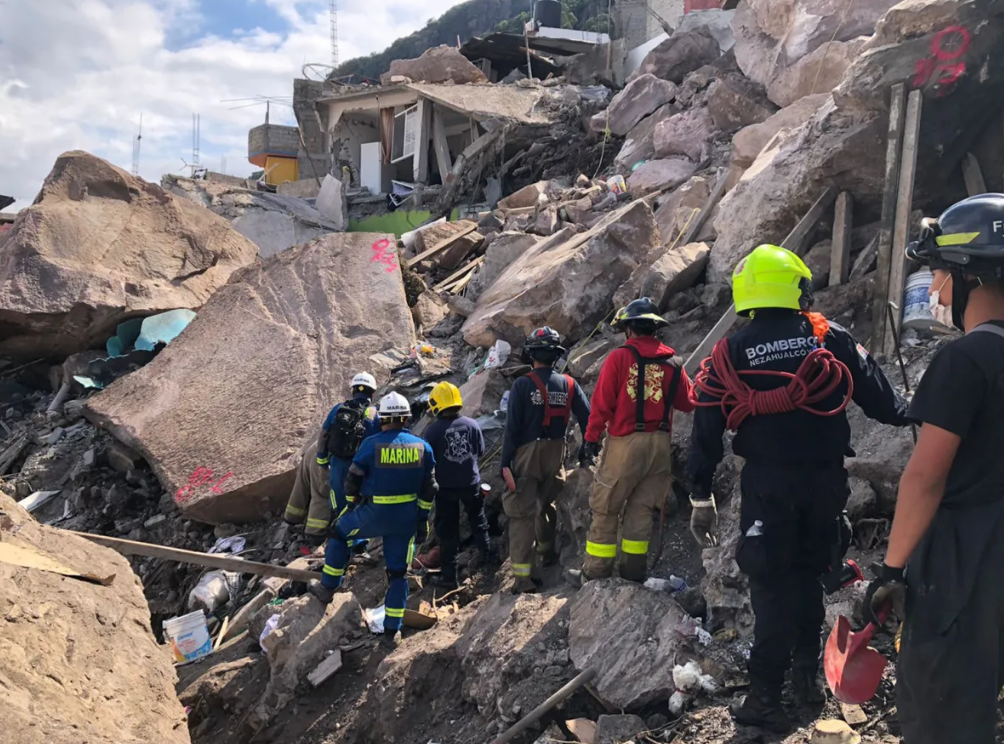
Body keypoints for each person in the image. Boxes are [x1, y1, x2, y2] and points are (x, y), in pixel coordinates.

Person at [686, 244, 909, 732]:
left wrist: (700, 492)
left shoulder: (731, 351)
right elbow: (885, 404)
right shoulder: (828, 337)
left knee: (771, 585)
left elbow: (705, 428)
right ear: (797, 288)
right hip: (825, 483)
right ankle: (806, 680)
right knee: (811, 575)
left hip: (769, 486)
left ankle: (766, 696)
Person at [863, 195, 1004, 744]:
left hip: (963, 559)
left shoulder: (964, 361)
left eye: (940, 272)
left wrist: (892, 571)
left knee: (944, 705)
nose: (936, 287)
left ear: (968, 276)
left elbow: (926, 475)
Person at [566, 298, 696, 586]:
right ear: (655, 328)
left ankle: (595, 573)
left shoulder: (619, 358)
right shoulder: (674, 362)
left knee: (606, 504)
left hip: (626, 443)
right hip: (660, 446)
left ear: (628, 329)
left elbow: (601, 406)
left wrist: (590, 440)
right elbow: (688, 403)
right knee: (642, 509)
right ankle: (633, 574)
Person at [310, 392, 437, 647]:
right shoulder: (423, 446)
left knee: (339, 534)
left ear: (383, 418)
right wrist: (422, 520)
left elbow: (352, 483)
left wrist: (352, 507)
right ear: (406, 418)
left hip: (373, 514)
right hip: (405, 520)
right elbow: (429, 489)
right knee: (398, 574)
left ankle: (327, 588)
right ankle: (392, 633)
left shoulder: (371, 445)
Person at [500, 326, 591, 593]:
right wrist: (589, 447)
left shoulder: (522, 385)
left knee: (522, 513)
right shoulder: (570, 384)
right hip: (556, 451)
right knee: (546, 502)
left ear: (531, 354)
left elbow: (512, 429)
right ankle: (548, 554)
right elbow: (588, 418)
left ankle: (524, 579)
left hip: (527, 453)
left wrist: (505, 464)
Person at [422, 381, 492, 589]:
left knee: (447, 533)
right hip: (471, 484)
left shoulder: (433, 432)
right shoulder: (472, 425)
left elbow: (428, 462)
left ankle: (449, 579)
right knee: (479, 521)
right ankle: (487, 560)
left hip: (445, 490)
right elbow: (480, 451)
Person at [317, 372, 381, 522]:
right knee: (358, 506)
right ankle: (357, 541)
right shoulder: (374, 414)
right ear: (372, 393)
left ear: (353, 390)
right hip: (361, 468)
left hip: (338, 465)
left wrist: (322, 462)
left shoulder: (338, 409)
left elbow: (323, 435)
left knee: (339, 506)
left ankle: (337, 533)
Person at [282, 436, 332, 545]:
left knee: (301, 487)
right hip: (324, 459)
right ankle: (315, 533)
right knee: (323, 494)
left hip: (314, 449)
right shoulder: (373, 437)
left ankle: (292, 517)